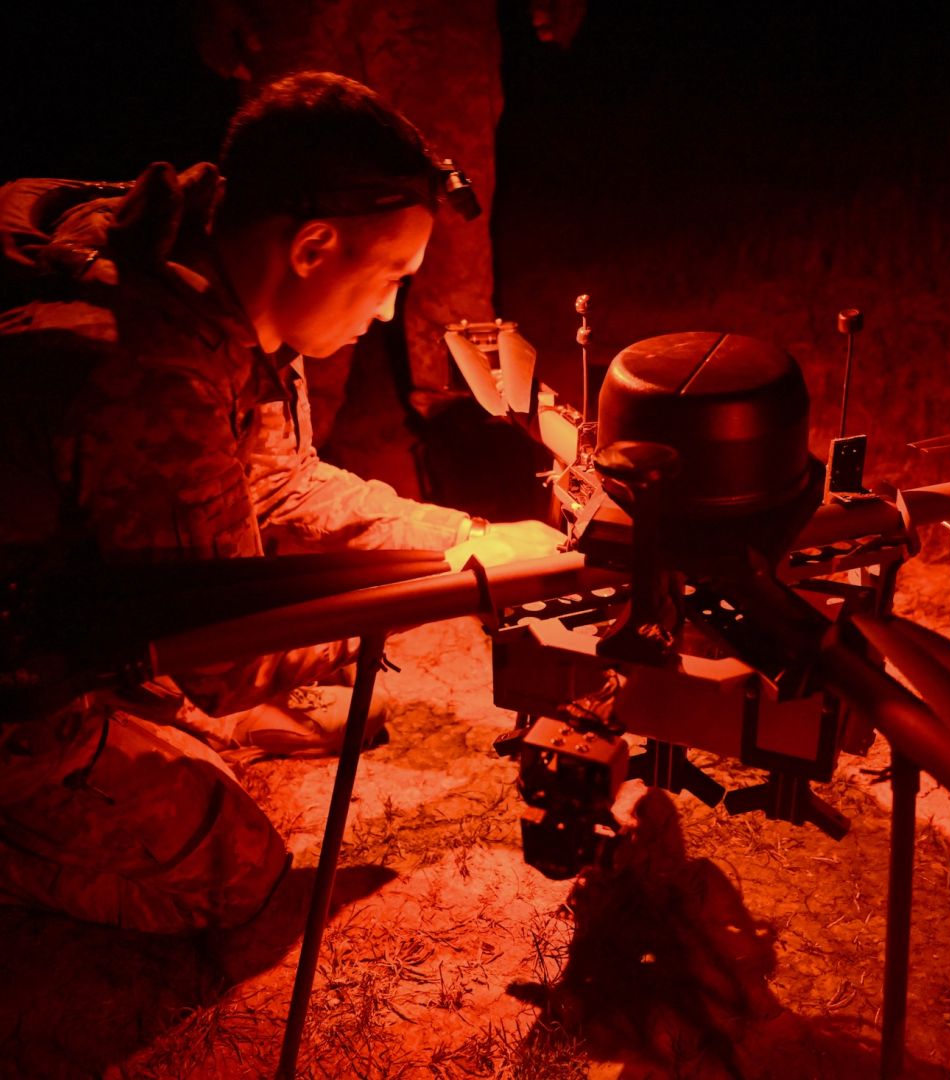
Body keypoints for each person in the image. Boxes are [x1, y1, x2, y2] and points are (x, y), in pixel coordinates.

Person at [0, 72, 561, 933]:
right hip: (20, 676)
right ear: (312, 248)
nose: (387, 312)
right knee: (239, 873)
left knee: (198, 719)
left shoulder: (212, 283)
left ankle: (134, 715)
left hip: (62, 607)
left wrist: (466, 536)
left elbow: (279, 484)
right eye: (391, 278)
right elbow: (220, 659)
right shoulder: (152, 372)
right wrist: (449, 588)